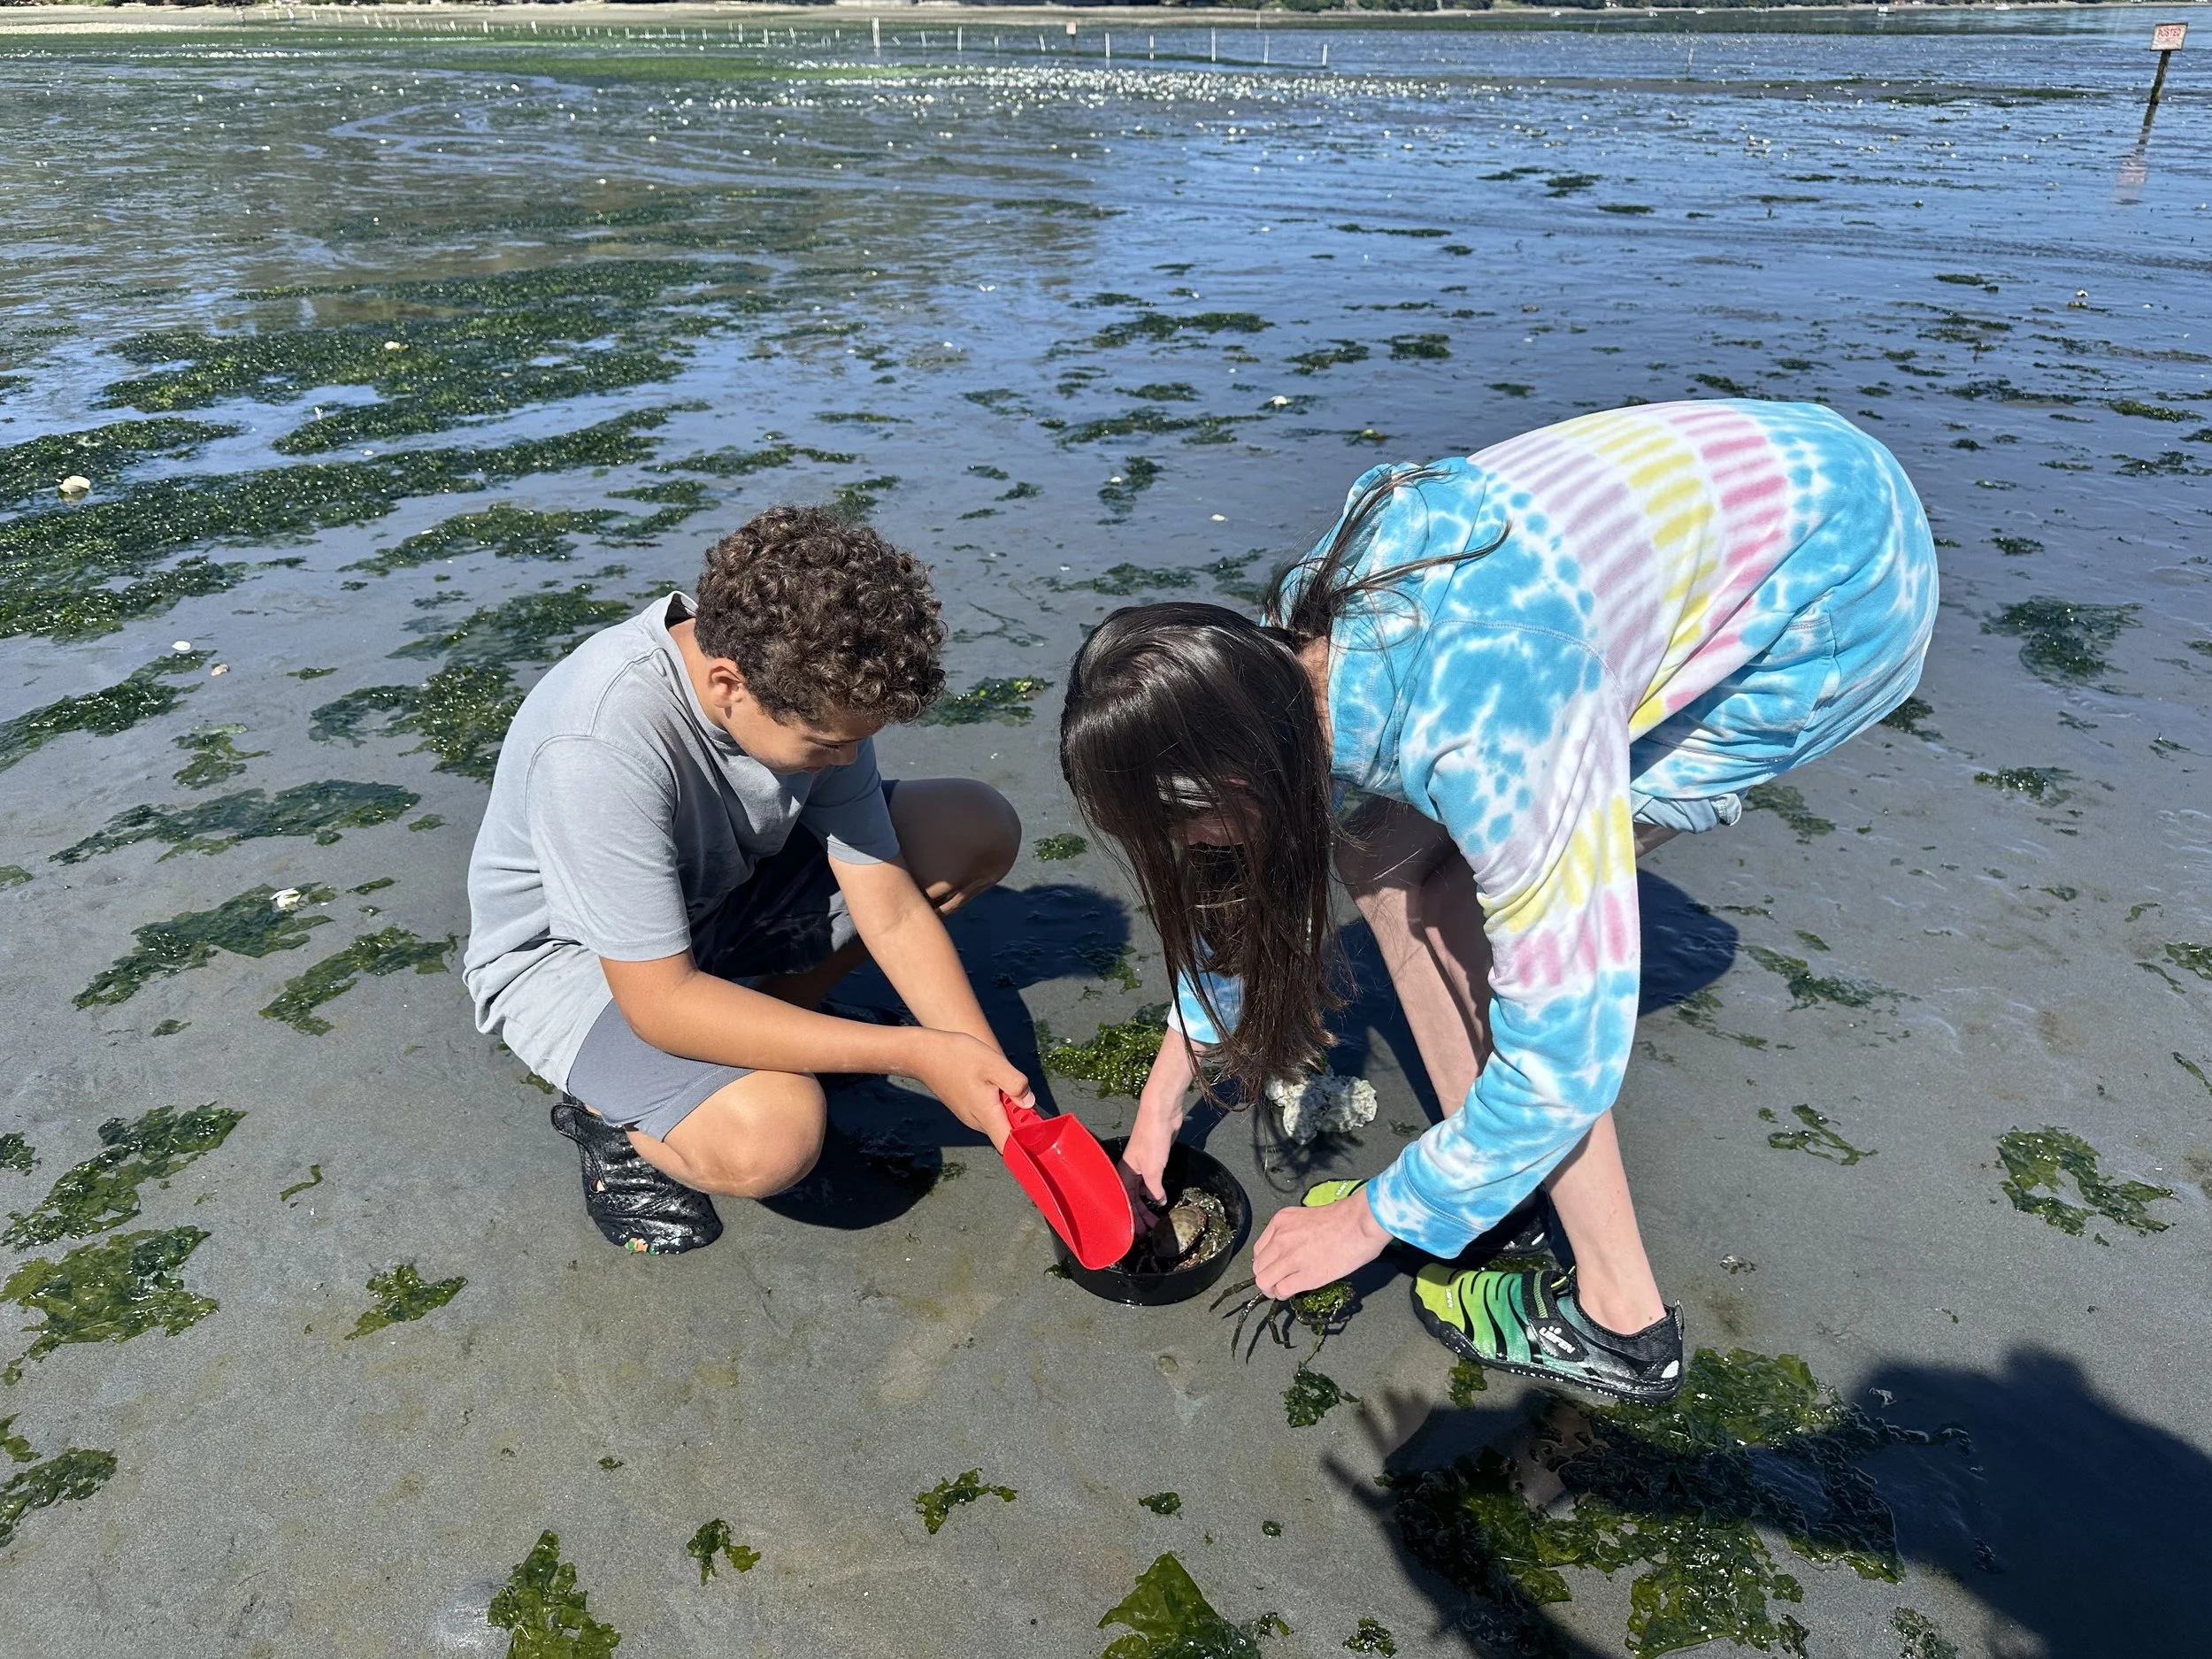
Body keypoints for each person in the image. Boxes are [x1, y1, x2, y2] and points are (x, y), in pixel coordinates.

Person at [1059, 399, 1937, 1402]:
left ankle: (1622, 1322)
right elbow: (1249, 885)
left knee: (1463, 911)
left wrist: (1370, 1218)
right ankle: (1490, 1193)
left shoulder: (1498, 736)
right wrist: (1157, 1116)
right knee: (1380, 854)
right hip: (1739, 491)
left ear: (1242, 785)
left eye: (1183, 836)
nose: (1185, 861)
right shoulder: (1284, 656)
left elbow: (1563, 1065)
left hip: (1839, 589)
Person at [465, 506, 1031, 1256]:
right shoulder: (600, 741)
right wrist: (918, 1052)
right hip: (584, 968)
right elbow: (662, 1002)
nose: (847, 760)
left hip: (718, 902)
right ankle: (614, 1115)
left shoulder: (814, 671)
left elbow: (888, 909)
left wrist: (1000, 1094)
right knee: (774, 1135)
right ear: (728, 682)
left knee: (971, 824)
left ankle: (763, 1024)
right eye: (827, 745)